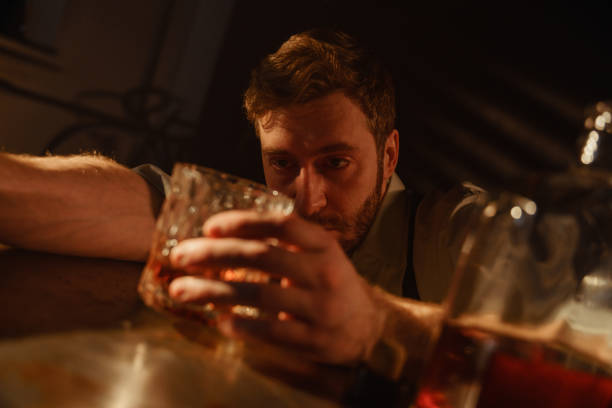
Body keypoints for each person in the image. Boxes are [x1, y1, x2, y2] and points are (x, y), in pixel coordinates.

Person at [0, 29, 480, 385]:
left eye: (336, 163)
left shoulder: (454, 231)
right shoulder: (262, 220)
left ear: (389, 155)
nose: (305, 199)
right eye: (283, 163)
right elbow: (146, 204)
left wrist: (378, 322)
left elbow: (548, 359)